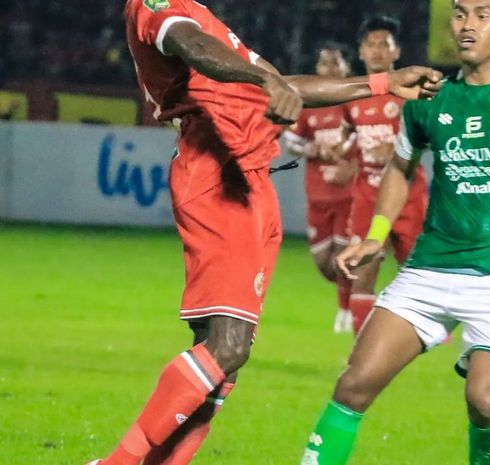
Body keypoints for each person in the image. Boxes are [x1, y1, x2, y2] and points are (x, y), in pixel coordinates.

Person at [85, 1, 442, 465]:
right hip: (217, 170)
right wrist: (263, 80)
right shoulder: (157, 5)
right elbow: (191, 46)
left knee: (224, 360)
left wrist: (380, 84)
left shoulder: (204, 15)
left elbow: (287, 88)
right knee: (227, 346)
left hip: (252, 178)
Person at [299, 1, 490, 464]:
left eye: (481, 15)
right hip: (428, 271)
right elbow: (400, 167)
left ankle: (486, 453)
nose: (466, 25)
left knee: (485, 403)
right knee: (353, 385)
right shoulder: (432, 99)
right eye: (459, 13)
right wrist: (376, 234)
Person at [342, 15, 428, 335]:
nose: (377, 51)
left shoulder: (412, 93)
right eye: (371, 44)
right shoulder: (351, 94)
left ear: (397, 52)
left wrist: (397, 148)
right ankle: (362, 348)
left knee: (416, 271)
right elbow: (348, 139)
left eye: (385, 45)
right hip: (367, 194)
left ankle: (427, 335)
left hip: (408, 193)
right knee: (362, 270)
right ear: (361, 52)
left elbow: (432, 137)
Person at [284, 44, 357, 333]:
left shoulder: (354, 101)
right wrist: (310, 148)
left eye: (335, 62)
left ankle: (346, 311)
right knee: (325, 265)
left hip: (349, 196)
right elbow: (290, 142)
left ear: (346, 68)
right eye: (325, 63)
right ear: (317, 69)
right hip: (318, 196)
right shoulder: (309, 105)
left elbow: (370, 138)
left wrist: (353, 167)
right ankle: (354, 295)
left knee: (342, 259)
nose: (330, 68)